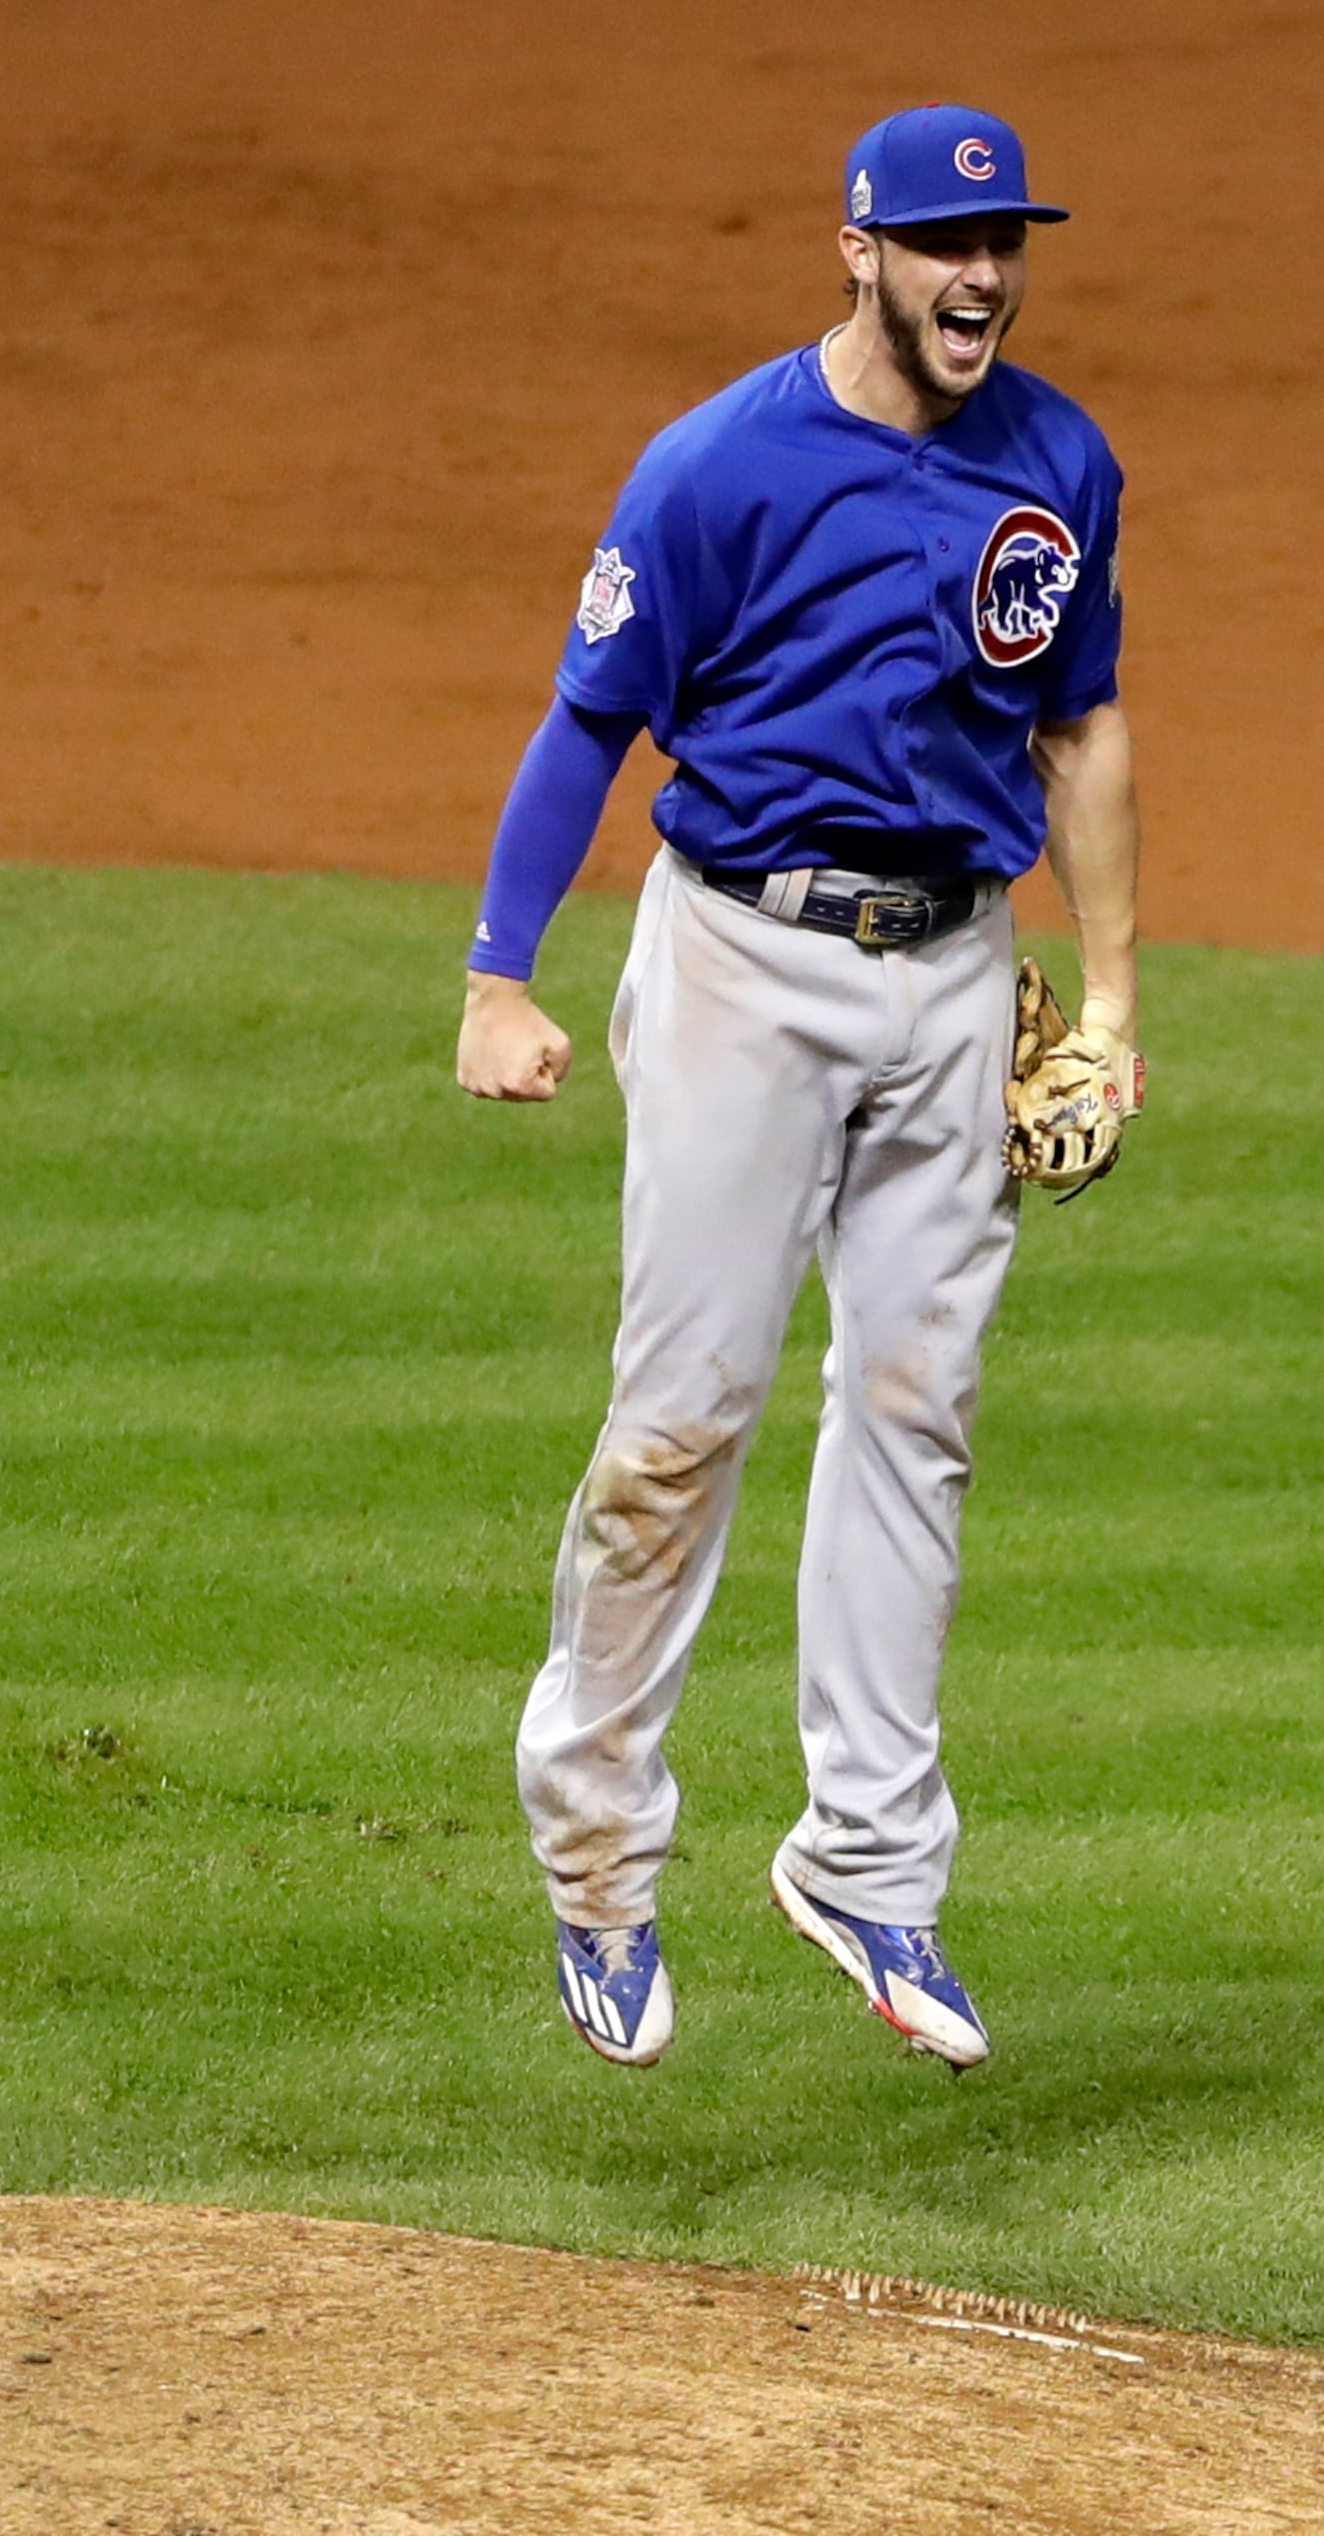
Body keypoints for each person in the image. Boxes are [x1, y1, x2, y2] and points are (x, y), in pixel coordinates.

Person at [453, 104, 1140, 2073]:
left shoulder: (1061, 462)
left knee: (920, 1405)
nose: (983, 276)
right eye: (945, 243)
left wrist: (1103, 998)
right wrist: (501, 976)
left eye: (1006, 238)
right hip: (744, 960)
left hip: (952, 969)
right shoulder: (716, 469)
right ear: (858, 251)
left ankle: (868, 1859)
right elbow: (587, 724)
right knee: (686, 1415)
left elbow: (1084, 732)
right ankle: (596, 1853)